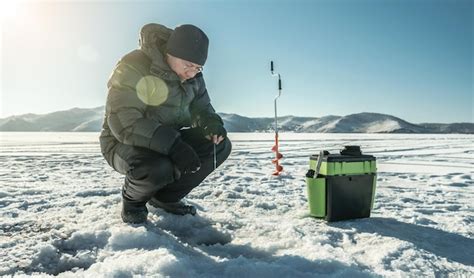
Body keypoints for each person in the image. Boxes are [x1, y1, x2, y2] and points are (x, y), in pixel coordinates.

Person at [99, 23, 232, 224]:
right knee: (157, 167)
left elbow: (203, 109)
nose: (192, 73)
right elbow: (124, 122)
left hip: (168, 139)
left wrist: (211, 124)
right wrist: (174, 145)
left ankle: (164, 198)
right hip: (122, 142)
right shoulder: (134, 66)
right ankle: (133, 203)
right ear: (170, 53)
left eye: (198, 67)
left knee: (218, 145)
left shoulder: (194, 79)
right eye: (188, 65)